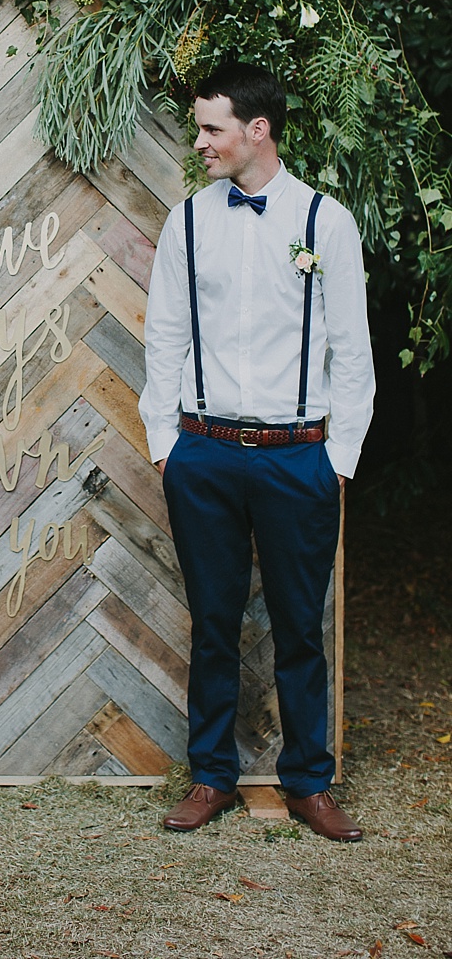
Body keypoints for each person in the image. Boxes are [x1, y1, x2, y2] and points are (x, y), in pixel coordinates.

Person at [139, 63, 374, 841]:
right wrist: (165, 442)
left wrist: (339, 458)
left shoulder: (326, 223)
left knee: (300, 624)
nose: (199, 141)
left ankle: (309, 782)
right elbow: (165, 334)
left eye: (211, 128)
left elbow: (353, 351)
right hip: (204, 454)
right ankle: (211, 777)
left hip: (297, 454)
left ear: (257, 130)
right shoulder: (191, 220)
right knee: (213, 619)